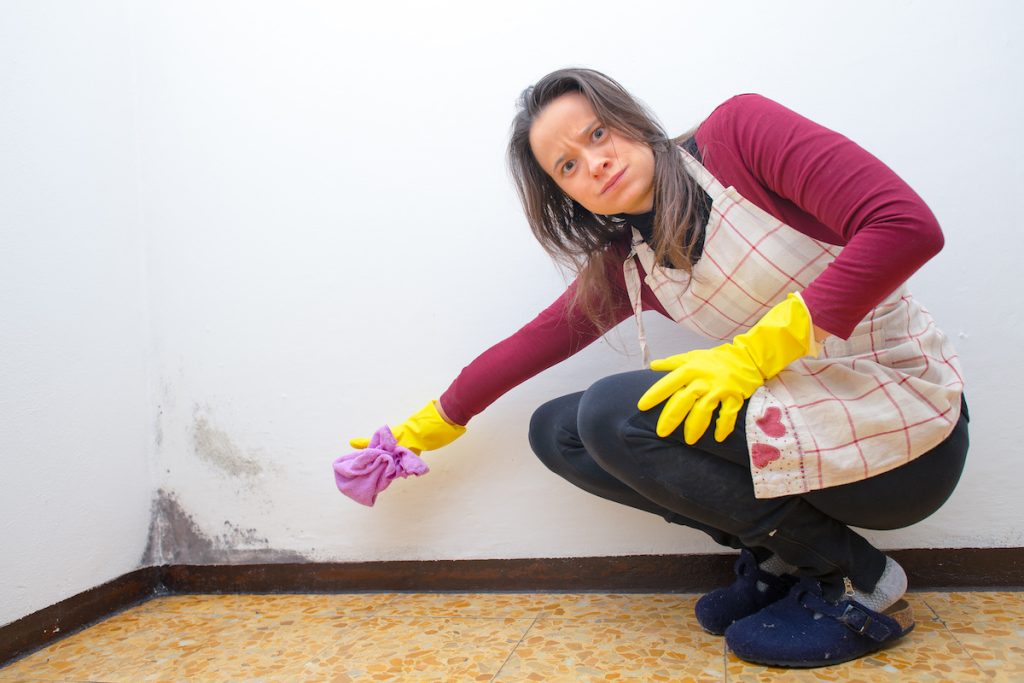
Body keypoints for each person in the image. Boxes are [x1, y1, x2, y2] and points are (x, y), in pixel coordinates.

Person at [350, 68, 968, 668]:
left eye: (596, 134)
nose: (594, 162)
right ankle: (791, 559)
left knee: (612, 412)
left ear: (630, 119)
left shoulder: (740, 136)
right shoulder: (631, 263)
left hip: (904, 426)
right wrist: (421, 429)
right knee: (558, 431)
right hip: (805, 422)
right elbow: (529, 345)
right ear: (564, 194)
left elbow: (907, 226)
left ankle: (862, 584)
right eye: (567, 166)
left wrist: (757, 352)